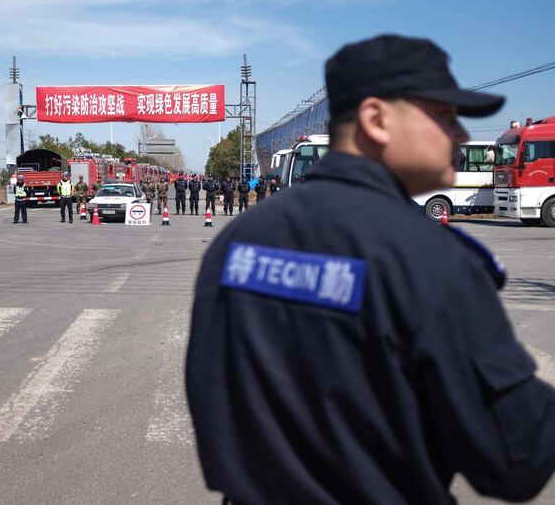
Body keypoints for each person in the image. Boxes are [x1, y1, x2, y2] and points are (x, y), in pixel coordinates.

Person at [186, 34, 555, 505]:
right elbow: (514, 463)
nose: (461, 136)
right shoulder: (432, 261)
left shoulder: (236, 243)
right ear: (377, 120)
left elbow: (211, 405)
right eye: (443, 116)